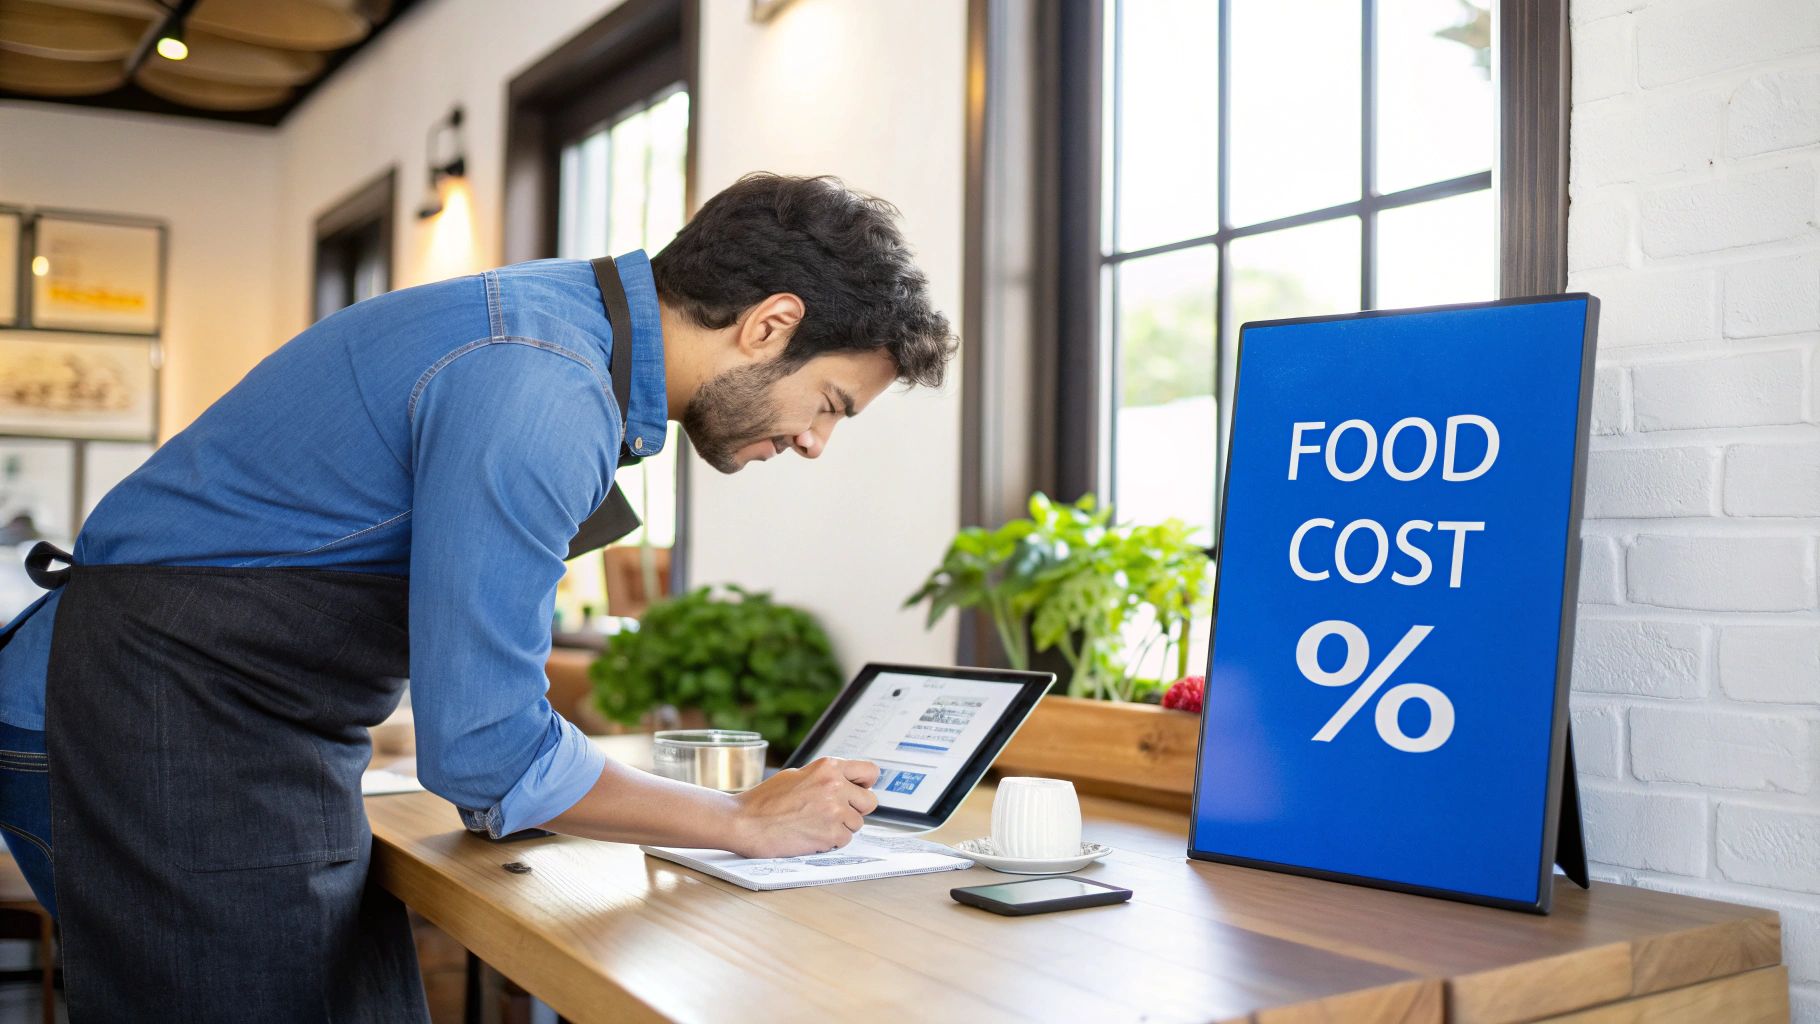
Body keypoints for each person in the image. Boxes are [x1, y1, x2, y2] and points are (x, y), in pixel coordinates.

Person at [0, 173, 956, 1021]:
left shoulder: (555, 327)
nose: (814, 443)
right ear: (770, 324)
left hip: (207, 716)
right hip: (144, 718)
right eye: (830, 404)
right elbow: (487, 755)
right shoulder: (546, 387)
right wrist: (743, 820)